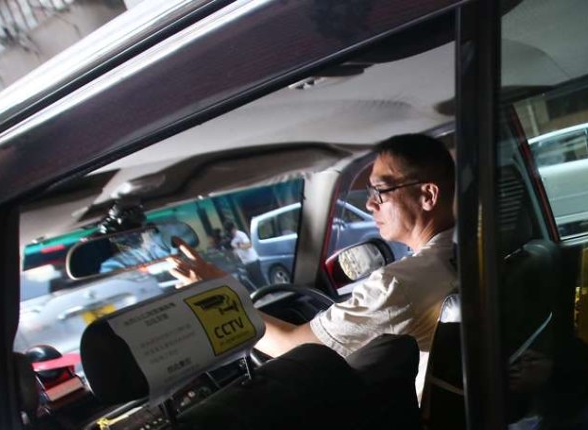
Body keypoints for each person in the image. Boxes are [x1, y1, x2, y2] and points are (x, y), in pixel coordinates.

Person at [170, 134, 458, 398]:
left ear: (428, 196)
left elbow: (298, 350)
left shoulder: (400, 285)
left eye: (381, 191)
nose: (371, 204)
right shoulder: (462, 253)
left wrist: (215, 294)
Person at [225, 221, 265, 287]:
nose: (232, 232)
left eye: (232, 230)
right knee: (253, 282)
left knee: (260, 279)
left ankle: (268, 294)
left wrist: (238, 246)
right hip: (246, 262)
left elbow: (248, 245)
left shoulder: (240, 234)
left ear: (234, 228)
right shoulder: (231, 239)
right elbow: (235, 252)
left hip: (252, 260)